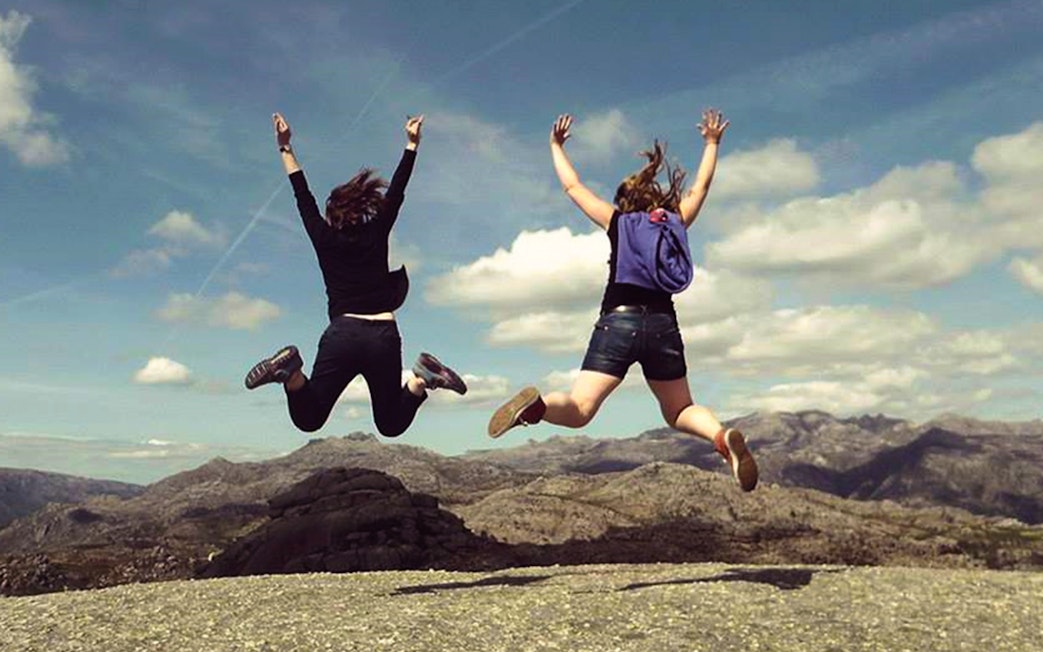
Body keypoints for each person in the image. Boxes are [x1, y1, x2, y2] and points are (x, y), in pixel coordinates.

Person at [487, 110, 757, 491]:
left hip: (618, 321)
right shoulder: (676, 223)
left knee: (580, 409)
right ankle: (720, 438)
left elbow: (573, 188)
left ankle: (539, 407)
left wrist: (556, 146)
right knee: (679, 409)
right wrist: (712, 143)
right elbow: (701, 188)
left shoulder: (618, 223)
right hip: (663, 325)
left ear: (626, 201)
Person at [245, 112, 467, 436]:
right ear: (365, 207)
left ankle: (292, 373)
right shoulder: (376, 231)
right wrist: (411, 144)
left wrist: (286, 148)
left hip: (343, 334)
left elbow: (302, 197)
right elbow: (397, 193)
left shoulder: (323, 237)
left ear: (332, 216)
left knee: (309, 418)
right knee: (390, 423)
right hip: (382, 337)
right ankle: (420, 379)